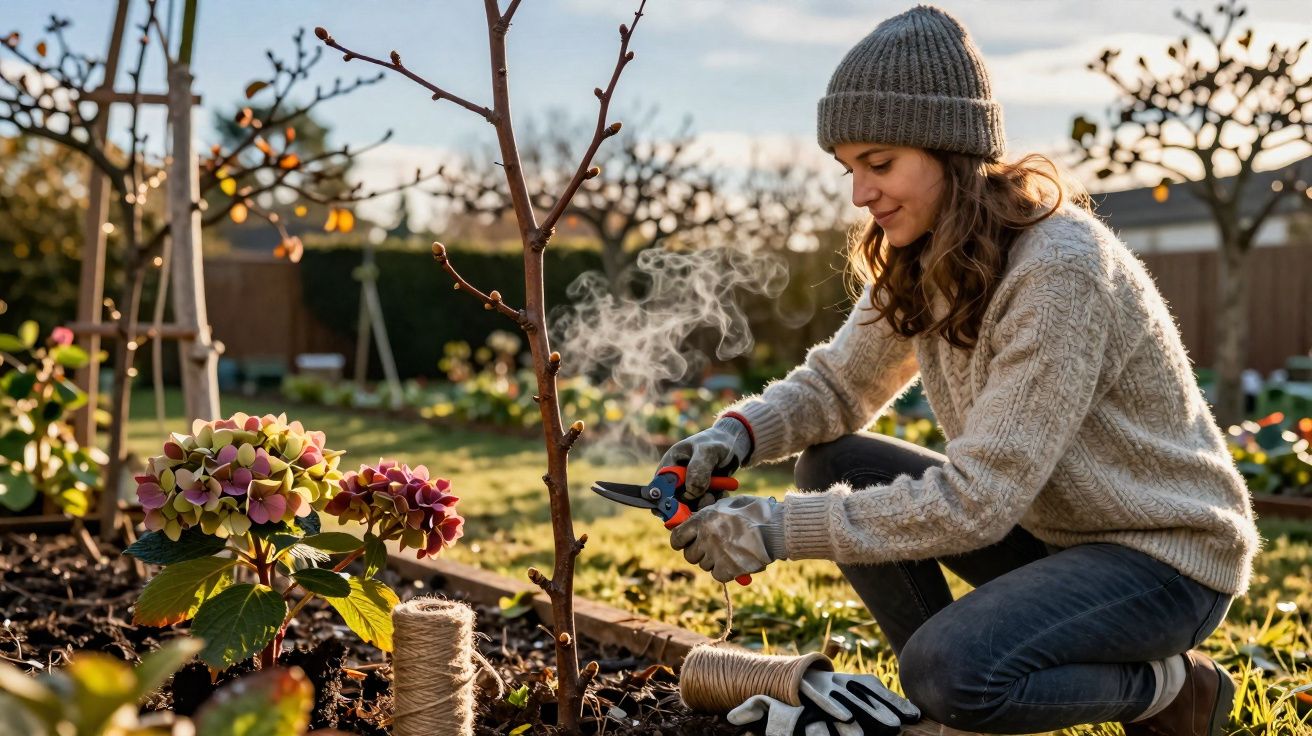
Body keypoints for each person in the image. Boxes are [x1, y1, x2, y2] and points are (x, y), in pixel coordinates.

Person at [661, 6, 1261, 736]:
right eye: (850, 168)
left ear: (953, 151)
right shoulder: (926, 258)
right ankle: (948, 713)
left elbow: (978, 500)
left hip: (1164, 561)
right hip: (1058, 536)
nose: (859, 193)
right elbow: (839, 387)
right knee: (833, 463)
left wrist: (777, 530)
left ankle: (1170, 690)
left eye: (879, 164)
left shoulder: (1061, 272)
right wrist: (735, 436)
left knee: (951, 671)